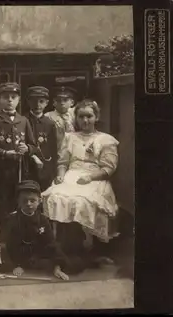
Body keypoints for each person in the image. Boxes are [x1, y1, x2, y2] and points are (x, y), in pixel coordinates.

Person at [42, 99, 119, 264]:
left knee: (83, 200)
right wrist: (61, 175)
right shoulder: (69, 137)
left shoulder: (106, 140)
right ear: (75, 117)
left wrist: (90, 177)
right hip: (72, 175)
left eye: (89, 116)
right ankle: (68, 245)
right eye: (81, 116)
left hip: (95, 177)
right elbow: (63, 162)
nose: (85, 120)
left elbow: (109, 169)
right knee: (55, 195)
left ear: (96, 117)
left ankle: (93, 248)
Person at [0, 82, 37, 222]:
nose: (10, 100)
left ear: (18, 100)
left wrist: (28, 149)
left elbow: (33, 145)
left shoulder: (23, 120)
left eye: (13, 97)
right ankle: (4, 237)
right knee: (3, 203)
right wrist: (5, 153)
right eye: (6, 97)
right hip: (1, 170)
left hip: (20, 169)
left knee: (20, 200)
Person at [5, 180, 70, 280]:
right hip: (19, 257)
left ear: (39, 201)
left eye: (32, 200)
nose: (29, 204)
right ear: (18, 201)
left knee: (71, 263)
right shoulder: (12, 219)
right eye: (24, 200)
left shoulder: (43, 219)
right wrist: (16, 265)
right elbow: (8, 245)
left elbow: (51, 243)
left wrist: (57, 267)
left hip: (38, 257)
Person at [25, 86, 58, 192]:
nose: (37, 105)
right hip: (27, 165)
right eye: (34, 101)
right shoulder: (23, 120)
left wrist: (53, 170)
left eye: (41, 101)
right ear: (28, 101)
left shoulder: (50, 123)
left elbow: (53, 148)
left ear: (47, 103)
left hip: (45, 166)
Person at [44, 86, 77, 151]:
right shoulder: (48, 116)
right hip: (56, 150)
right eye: (58, 100)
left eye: (65, 100)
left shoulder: (76, 113)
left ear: (72, 103)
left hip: (74, 150)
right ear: (54, 103)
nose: (62, 103)